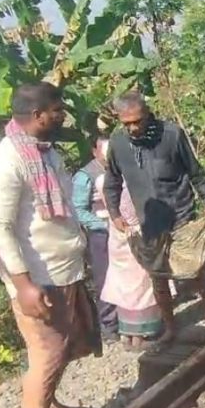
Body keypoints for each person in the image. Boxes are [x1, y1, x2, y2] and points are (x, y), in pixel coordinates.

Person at [0, 83, 100, 408]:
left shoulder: (43, 152)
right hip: (39, 278)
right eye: (57, 110)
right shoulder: (6, 162)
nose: (62, 115)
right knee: (47, 354)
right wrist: (23, 285)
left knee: (61, 350)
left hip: (63, 270)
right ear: (38, 115)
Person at [103, 91, 205, 348]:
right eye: (127, 123)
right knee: (157, 276)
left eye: (138, 121)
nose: (133, 128)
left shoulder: (171, 135)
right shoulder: (118, 143)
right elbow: (112, 181)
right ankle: (170, 326)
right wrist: (114, 213)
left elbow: (194, 171)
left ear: (148, 114)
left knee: (193, 266)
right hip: (149, 220)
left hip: (180, 212)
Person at [99, 179, 162, 350]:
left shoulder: (103, 182)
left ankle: (126, 334)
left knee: (124, 288)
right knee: (141, 287)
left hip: (117, 240)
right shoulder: (131, 180)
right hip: (136, 238)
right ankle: (140, 336)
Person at [72, 137, 118, 341]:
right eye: (104, 150)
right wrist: (104, 225)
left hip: (123, 230)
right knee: (105, 277)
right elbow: (78, 210)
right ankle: (109, 324)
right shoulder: (85, 176)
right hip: (101, 232)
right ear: (94, 151)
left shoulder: (118, 168)